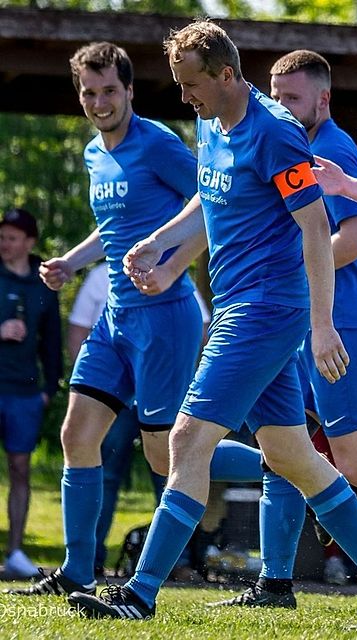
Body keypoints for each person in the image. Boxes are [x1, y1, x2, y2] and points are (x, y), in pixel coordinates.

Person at [68, 22, 357, 628]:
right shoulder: (211, 122)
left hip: (265, 310)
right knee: (294, 457)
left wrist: (321, 324)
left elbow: (316, 230)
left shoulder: (277, 134)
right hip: (239, 303)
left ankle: (140, 592)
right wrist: (159, 241)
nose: (185, 98)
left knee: (184, 442)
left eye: (192, 84)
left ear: (226, 74)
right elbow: (209, 196)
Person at [7, 42, 263, 600]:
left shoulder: (159, 144)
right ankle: (78, 571)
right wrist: (72, 262)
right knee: (77, 433)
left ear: (129, 91)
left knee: (162, 453)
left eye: (109, 91)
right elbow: (116, 228)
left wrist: (173, 271)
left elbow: (212, 202)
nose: (99, 103)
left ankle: (277, 463)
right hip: (115, 317)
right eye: (89, 93)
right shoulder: (94, 154)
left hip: (165, 320)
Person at [203, 49, 357, 610]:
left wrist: (285, 274)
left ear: (323, 99)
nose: (281, 106)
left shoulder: (332, 147)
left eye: (293, 98)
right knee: (283, 448)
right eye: (276, 96)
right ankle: (276, 583)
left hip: (343, 324)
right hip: (298, 320)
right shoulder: (271, 138)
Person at [66, 262, 213, 576]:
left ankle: (176, 561)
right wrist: (69, 262)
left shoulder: (171, 270)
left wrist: (176, 372)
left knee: (168, 465)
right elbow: (78, 331)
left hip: (160, 385)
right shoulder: (98, 276)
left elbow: (201, 326)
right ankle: (84, 564)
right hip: (118, 397)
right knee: (91, 456)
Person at [0, 208, 61, 578]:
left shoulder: (43, 284)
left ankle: (16, 553)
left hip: (25, 394)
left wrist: (49, 389)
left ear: (29, 242)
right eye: (2, 237)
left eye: (11, 238)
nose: (4, 244)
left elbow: (52, 342)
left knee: (20, 469)